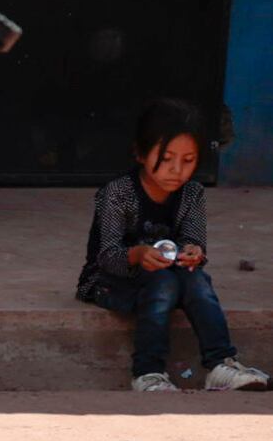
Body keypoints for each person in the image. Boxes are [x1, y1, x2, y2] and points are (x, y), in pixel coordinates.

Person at [77, 97, 268, 393]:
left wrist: (193, 253)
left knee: (197, 279)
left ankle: (221, 365)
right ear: (140, 153)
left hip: (168, 277)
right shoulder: (117, 193)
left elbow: (194, 241)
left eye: (188, 161)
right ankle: (148, 373)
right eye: (166, 159)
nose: (177, 170)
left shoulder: (192, 194)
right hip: (110, 281)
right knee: (164, 283)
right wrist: (138, 254)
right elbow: (106, 256)